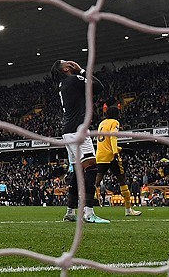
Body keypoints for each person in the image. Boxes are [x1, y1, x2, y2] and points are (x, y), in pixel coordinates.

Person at [52, 59, 108, 224]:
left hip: (68, 132)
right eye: (65, 63)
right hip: (78, 130)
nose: (69, 62)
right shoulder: (73, 79)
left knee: (77, 171)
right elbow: (99, 87)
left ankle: (70, 211)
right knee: (91, 168)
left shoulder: (63, 85)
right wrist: (81, 70)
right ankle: (89, 212)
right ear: (65, 69)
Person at [96, 100, 140, 217]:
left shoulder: (101, 123)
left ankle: (87, 207)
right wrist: (116, 152)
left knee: (96, 182)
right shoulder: (114, 122)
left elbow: (104, 142)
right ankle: (128, 209)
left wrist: (122, 149)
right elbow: (112, 138)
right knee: (122, 180)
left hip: (100, 155)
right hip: (111, 156)